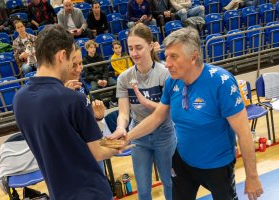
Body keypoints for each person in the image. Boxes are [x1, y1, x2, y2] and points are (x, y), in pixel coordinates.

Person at [111, 27, 264, 200]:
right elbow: (156, 117)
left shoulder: (222, 82)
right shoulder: (172, 81)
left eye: (174, 57)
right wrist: (127, 137)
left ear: (193, 56)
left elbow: (243, 133)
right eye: (166, 56)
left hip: (217, 165)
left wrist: (252, 176)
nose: (167, 63)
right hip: (183, 161)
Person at [13, 24, 126, 199]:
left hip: (59, 192)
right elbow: (98, 152)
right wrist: (120, 143)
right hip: (91, 192)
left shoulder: (19, 100)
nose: (73, 66)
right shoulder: (73, 99)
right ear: (62, 56)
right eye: (71, 60)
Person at [110, 23, 177, 200]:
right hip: (139, 136)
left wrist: (147, 103)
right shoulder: (124, 78)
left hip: (164, 134)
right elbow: (124, 113)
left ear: (151, 45)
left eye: (138, 47)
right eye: (130, 48)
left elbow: (167, 111)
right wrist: (120, 128)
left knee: (170, 182)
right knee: (143, 188)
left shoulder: (165, 73)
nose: (134, 53)